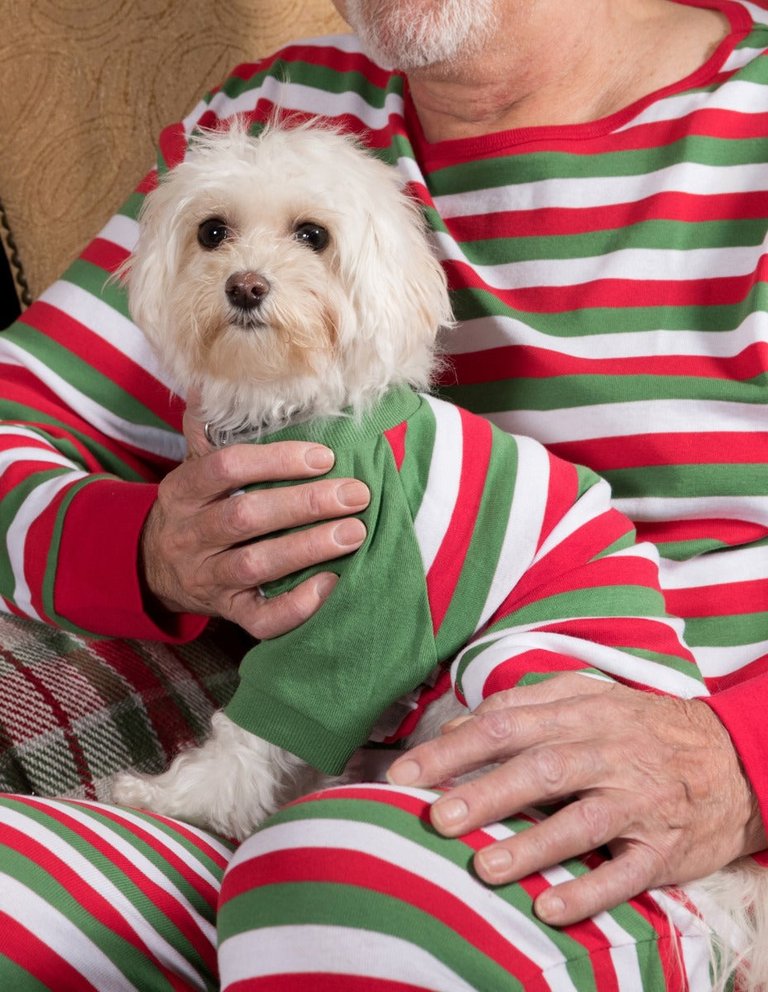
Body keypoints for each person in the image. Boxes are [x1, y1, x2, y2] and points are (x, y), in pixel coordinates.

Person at [0, 0, 767, 988]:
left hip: (670, 847)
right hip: (321, 787)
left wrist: (739, 764)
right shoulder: (269, 124)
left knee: (339, 897)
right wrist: (155, 549)